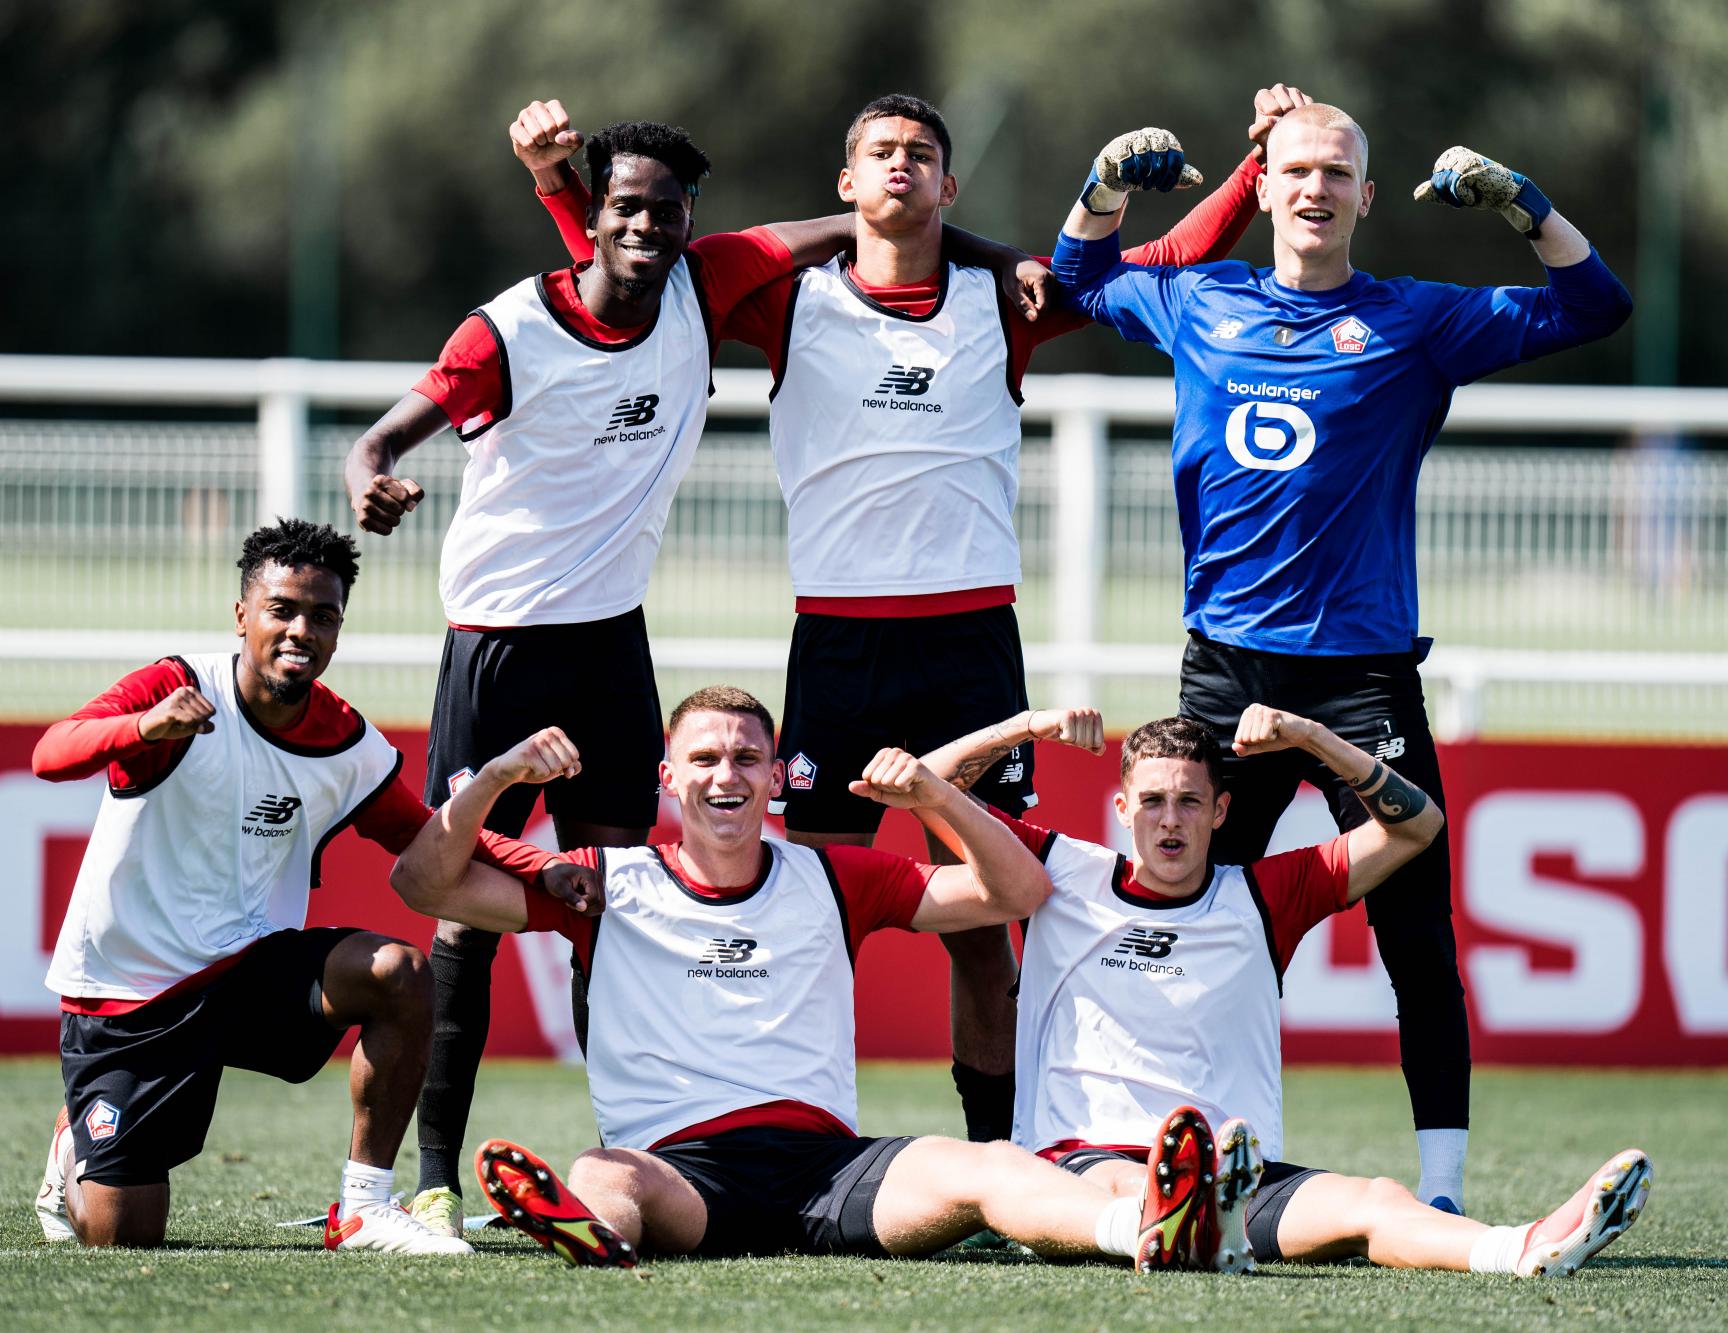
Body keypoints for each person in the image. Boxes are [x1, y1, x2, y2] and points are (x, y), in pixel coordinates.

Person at [523, 88, 1304, 1146]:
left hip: (968, 646)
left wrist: (1262, 168)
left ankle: (995, 1163)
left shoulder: (1005, 300)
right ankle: (779, 1136)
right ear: (845, 186)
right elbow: (631, 271)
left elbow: (1156, 267)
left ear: (948, 183)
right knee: (806, 923)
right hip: (838, 646)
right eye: (879, 152)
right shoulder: (782, 301)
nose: (900, 164)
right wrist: (558, 183)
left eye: (920, 153)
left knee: (981, 925)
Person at [1048, 105, 1635, 1210]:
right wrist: (1104, 177)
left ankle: (1445, 1191)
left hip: (1362, 678)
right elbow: (1074, 279)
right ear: (1261, 188)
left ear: (1366, 198)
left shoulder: (1415, 321)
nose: (1314, 188)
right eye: (1295, 171)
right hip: (1222, 673)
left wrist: (1523, 203)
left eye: (1338, 173)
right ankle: (1182, 1156)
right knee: (1207, 922)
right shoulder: (1197, 298)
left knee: (1414, 934)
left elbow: (1595, 306)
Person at [342, 118, 868, 1235]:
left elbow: (854, 224)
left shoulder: (700, 283)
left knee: (620, 906)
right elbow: (383, 437)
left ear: (688, 222)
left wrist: (965, 245)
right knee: (464, 921)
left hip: (610, 644)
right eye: (622, 206)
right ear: (596, 210)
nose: (643, 225)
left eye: (664, 210)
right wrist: (369, 475)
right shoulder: (510, 330)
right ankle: (431, 1180)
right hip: (497, 643)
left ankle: (633, 1151)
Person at [384, 685, 1180, 1266]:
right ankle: (595, 1233)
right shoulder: (604, 881)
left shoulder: (834, 877)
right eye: (703, 758)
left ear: (775, 778)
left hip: (829, 1169)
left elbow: (1016, 892)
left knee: (991, 1165)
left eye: (746, 757)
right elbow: (424, 886)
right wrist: (493, 780)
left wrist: (934, 794)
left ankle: (1145, 1227)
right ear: (669, 777)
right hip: (681, 1167)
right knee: (603, 1171)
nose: (725, 774)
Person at [914, 704, 1652, 1277]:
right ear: (1120, 809)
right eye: (1152, 801)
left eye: (1190, 802)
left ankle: (1518, 1246)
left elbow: (1417, 824)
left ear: (1223, 812)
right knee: (1119, 1183)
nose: (1170, 820)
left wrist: (1314, 738)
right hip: (1086, 1164)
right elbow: (921, 787)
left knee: (1374, 1202)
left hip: (1243, 1178)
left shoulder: (1265, 894)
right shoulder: (1058, 871)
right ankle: (1177, 1217)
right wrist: (1027, 726)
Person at [28, 518, 593, 1253]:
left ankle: (362, 1207)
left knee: (400, 973)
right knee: (124, 1235)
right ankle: (75, 1146)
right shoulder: (177, 688)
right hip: (132, 993)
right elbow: (50, 753)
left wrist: (536, 863)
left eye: (322, 616)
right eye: (282, 609)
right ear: (242, 616)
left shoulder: (342, 737)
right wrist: (143, 727)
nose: (302, 630)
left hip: (245, 968)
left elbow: (423, 834)